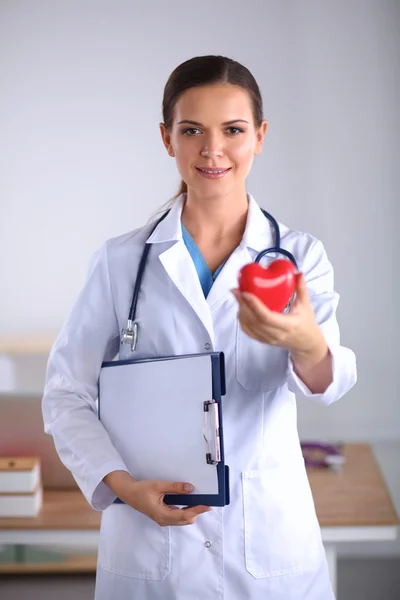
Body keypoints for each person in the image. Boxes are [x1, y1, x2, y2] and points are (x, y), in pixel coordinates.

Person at [42, 55, 357, 600]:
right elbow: (65, 393)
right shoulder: (121, 263)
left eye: (233, 130)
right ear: (167, 139)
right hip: (150, 544)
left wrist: (304, 339)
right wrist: (121, 487)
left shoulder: (299, 257)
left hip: (269, 551)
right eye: (192, 131)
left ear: (259, 136)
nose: (212, 150)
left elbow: (329, 381)